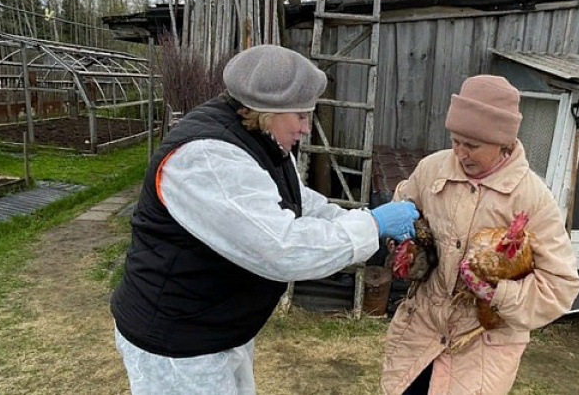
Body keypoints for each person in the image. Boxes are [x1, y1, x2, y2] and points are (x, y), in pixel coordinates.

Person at [110, 44, 420, 395]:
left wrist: (360, 218)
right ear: (267, 110)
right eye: (301, 116)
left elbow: (298, 202)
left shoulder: (261, 139)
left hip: (217, 326)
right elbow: (282, 248)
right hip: (176, 341)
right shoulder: (206, 159)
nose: (306, 128)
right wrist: (374, 225)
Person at [381, 75, 579, 395]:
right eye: (455, 140)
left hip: (481, 348)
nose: (460, 152)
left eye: (472, 145)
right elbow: (402, 213)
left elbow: (561, 286)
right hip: (419, 334)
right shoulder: (432, 170)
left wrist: (497, 294)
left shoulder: (533, 198)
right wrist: (406, 246)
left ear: (503, 143)